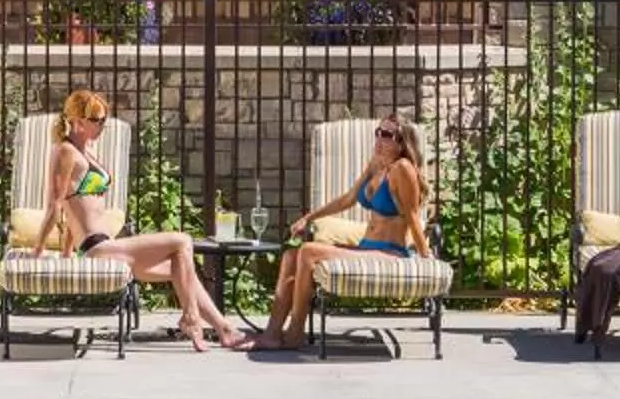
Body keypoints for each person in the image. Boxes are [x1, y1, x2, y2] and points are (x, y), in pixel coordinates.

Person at [32, 90, 246, 353]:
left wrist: (66, 251)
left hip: (108, 245)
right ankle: (191, 318)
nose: (103, 125)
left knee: (181, 267)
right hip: (96, 249)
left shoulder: (85, 151)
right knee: (182, 240)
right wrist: (38, 251)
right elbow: (56, 205)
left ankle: (224, 329)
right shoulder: (65, 152)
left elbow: (76, 207)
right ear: (78, 121)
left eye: (104, 119)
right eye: (97, 120)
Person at [257, 115, 430, 350]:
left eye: (386, 135)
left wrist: (425, 257)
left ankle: (295, 332)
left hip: (388, 253)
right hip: (366, 249)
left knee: (308, 251)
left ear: (401, 142)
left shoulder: (403, 169)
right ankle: (272, 333)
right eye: (377, 132)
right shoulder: (376, 165)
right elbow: (348, 199)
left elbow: (412, 217)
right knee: (291, 256)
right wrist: (309, 218)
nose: (379, 139)